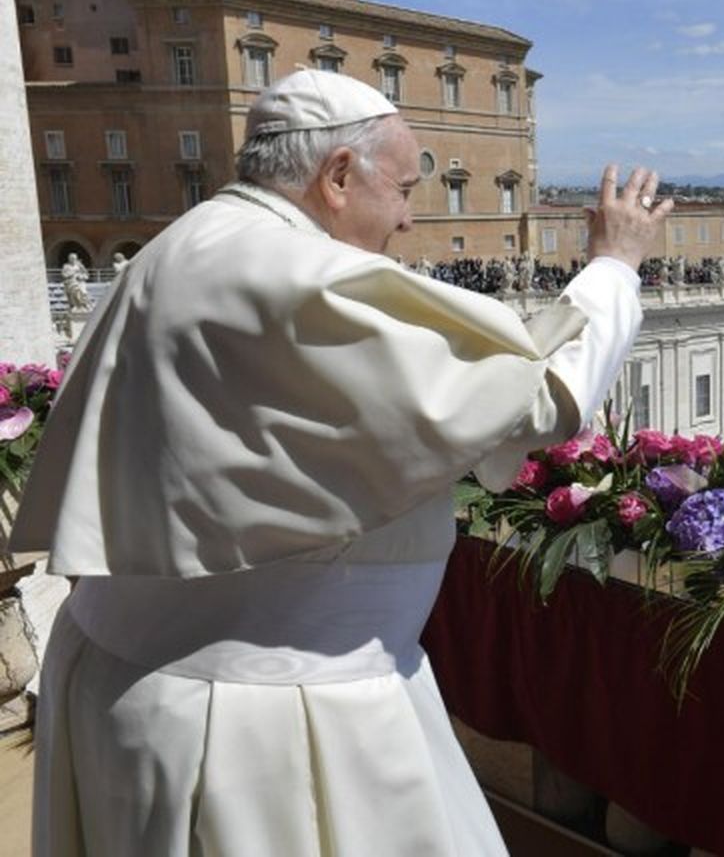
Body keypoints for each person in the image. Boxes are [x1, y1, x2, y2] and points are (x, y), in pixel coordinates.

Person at [12, 69, 673, 856]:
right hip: (261, 721)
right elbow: (534, 399)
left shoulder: (179, 247)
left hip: (127, 680)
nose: (409, 218)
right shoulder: (296, 275)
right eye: (403, 190)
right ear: (337, 175)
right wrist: (614, 269)